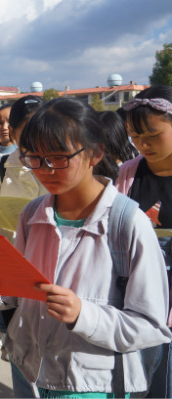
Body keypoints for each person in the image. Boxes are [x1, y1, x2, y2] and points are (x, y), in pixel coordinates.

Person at [0, 97, 172, 398]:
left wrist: (83, 315)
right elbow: (18, 294)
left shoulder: (127, 223)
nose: (44, 169)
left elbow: (151, 326)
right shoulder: (32, 215)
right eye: (33, 158)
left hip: (91, 385)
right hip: (29, 374)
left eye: (58, 158)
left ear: (95, 153)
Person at [0, 95, 48, 397]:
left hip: (49, 270)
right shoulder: (1, 167)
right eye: (24, 128)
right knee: (20, 353)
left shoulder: (57, 164)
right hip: (13, 270)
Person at [115, 86, 172, 398]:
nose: (142, 144)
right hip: (137, 303)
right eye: (135, 135)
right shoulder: (127, 173)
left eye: (152, 133)